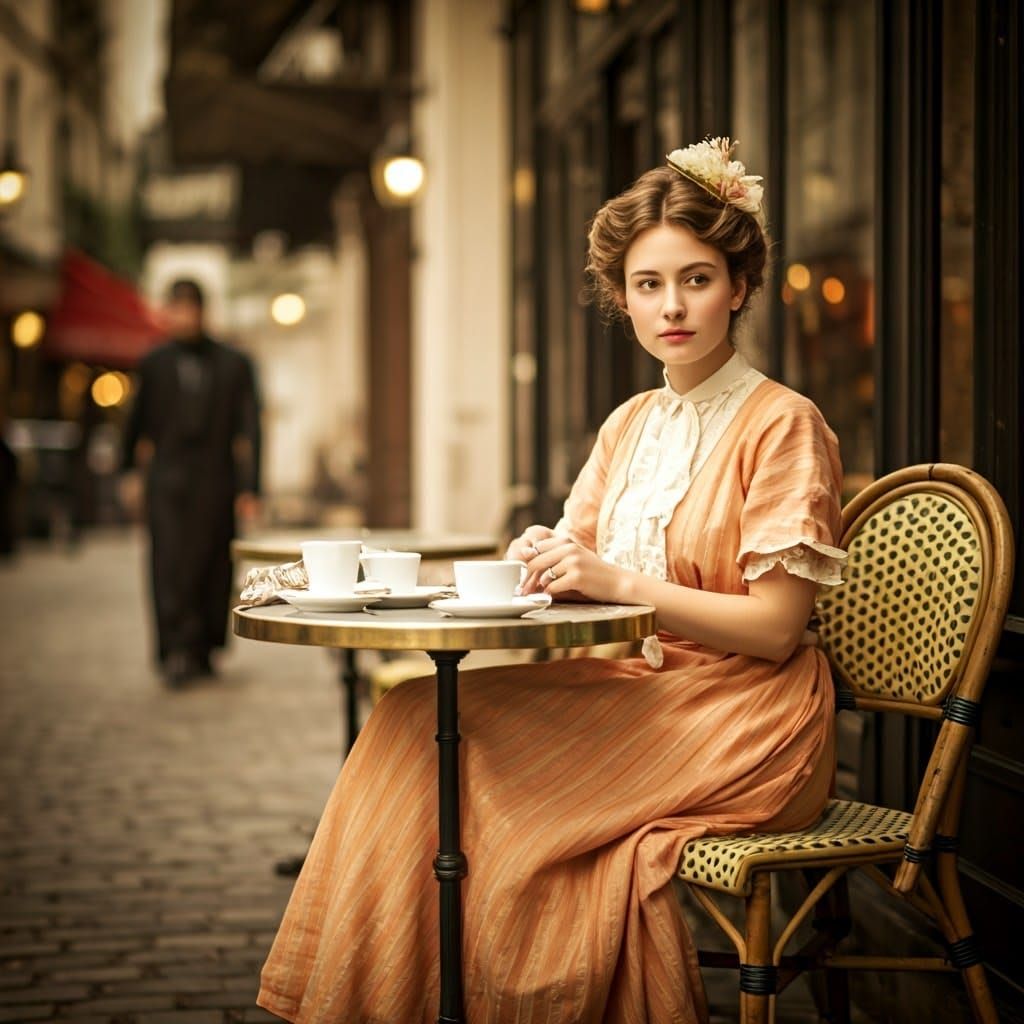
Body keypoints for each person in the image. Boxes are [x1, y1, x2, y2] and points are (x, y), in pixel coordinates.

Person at [257, 139, 846, 1023]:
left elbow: (772, 628)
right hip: (639, 686)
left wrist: (613, 578)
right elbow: (583, 558)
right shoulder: (629, 423)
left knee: (460, 764)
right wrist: (550, 559)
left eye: (696, 278)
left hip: (745, 713)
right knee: (413, 718)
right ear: (623, 300)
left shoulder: (784, 425)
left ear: (739, 286)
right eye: (649, 286)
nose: (673, 305)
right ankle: (372, 1000)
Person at [121, 279, 262, 687]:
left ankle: (203, 648)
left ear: (203, 311)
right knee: (167, 565)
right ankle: (175, 649)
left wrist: (251, 487)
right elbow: (136, 421)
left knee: (212, 563)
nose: (183, 317)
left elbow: (251, 427)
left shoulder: (235, 363)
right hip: (166, 480)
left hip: (217, 480)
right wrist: (128, 470)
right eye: (176, 309)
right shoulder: (154, 362)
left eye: (190, 309)